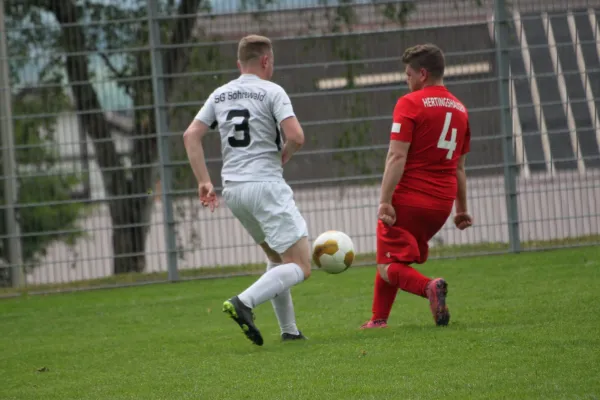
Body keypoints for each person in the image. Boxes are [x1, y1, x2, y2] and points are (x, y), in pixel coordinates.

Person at [183, 34, 311, 346]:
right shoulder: (272, 91)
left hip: (234, 192)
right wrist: (285, 155)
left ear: (239, 64)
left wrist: (203, 181)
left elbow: (191, 135)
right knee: (301, 265)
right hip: (265, 185)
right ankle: (244, 302)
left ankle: (289, 330)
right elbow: (296, 135)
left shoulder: (220, 94)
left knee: (278, 258)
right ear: (266, 60)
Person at [360, 43, 474, 329]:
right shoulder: (460, 109)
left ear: (422, 74)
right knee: (390, 258)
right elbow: (459, 167)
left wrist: (385, 200)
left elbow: (396, 155)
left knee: (387, 265)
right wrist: (461, 209)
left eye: (408, 74)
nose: (406, 80)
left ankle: (429, 287)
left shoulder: (410, 103)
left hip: (410, 199)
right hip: (441, 203)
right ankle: (378, 319)